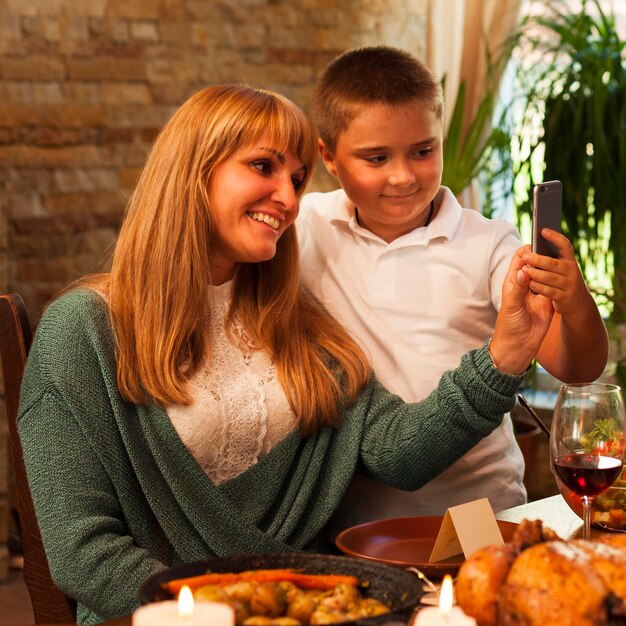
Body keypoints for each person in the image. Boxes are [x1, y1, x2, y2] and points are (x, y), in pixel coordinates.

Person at [18, 84, 552, 624]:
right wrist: (234, 612)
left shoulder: (298, 323)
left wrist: (505, 354)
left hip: (312, 610)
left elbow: (398, 454)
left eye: (296, 179)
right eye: (263, 167)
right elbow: (83, 551)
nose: (289, 198)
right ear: (191, 170)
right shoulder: (83, 330)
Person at [298, 45, 609, 523]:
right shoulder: (305, 227)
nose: (403, 176)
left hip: (480, 512)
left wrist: (577, 301)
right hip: (352, 521)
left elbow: (577, 367)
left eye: (423, 151)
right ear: (329, 157)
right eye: (376, 158)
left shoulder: (489, 244)